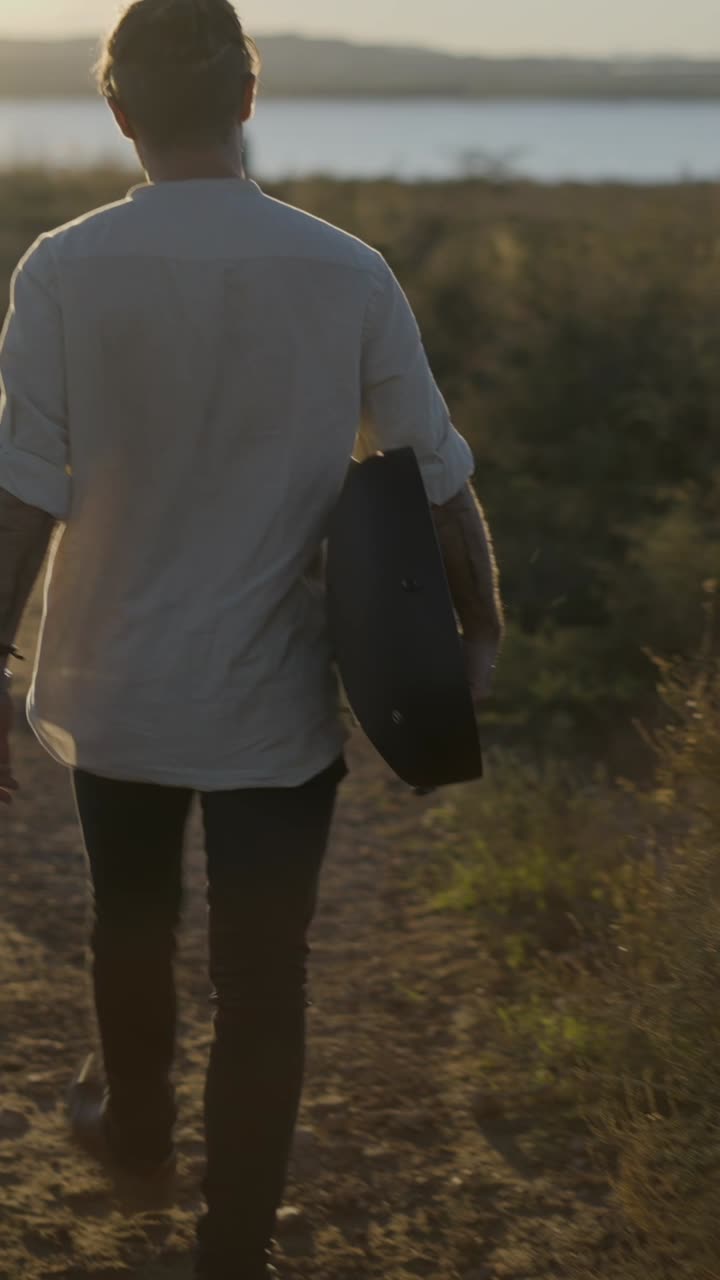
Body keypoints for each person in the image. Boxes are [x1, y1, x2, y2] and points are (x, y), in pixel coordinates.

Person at [0, 1, 503, 1276]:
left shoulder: (60, 268)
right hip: (275, 704)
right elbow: (434, 475)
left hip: (113, 686)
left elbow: (24, 492)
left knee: (130, 917)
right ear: (248, 97)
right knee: (264, 975)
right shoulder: (348, 270)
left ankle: (137, 1133)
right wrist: (480, 627)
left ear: (120, 112)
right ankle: (234, 1247)